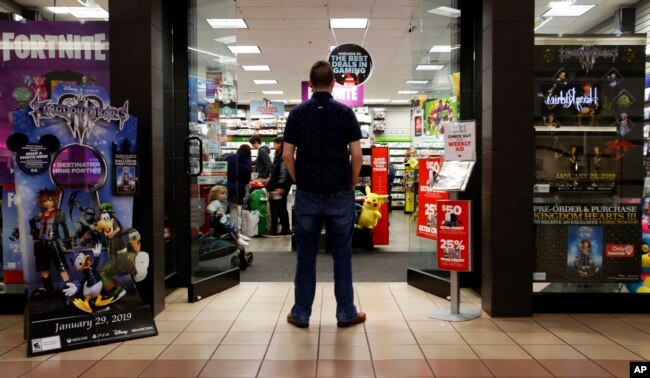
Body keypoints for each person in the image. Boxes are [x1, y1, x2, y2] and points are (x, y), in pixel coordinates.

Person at [283, 60, 366, 328]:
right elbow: (356, 155)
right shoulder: (345, 114)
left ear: (310, 83)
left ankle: (301, 314)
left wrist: (299, 179)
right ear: (333, 83)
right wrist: (351, 183)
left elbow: (286, 154)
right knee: (342, 254)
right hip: (339, 192)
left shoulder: (297, 114)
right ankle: (346, 313)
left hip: (308, 193)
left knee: (306, 254)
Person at [29, 188, 73, 299]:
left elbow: (64, 228)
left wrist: (67, 243)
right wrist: (35, 236)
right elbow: (31, 221)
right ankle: (48, 289)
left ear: (54, 200)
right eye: (44, 201)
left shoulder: (58, 213)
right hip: (41, 243)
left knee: (62, 267)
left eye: (49, 200)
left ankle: (70, 290)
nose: (47, 202)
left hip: (53, 242)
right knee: (43, 268)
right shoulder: (41, 214)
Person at [265, 137, 293, 236]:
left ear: (280, 144)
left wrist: (281, 187)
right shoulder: (278, 156)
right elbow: (276, 171)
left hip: (278, 187)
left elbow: (284, 173)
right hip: (276, 186)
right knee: (280, 208)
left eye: (275, 144)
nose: (274, 146)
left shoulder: (283, 157)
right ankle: (286, 229)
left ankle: (274, 230)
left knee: (276, 208)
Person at [226, 144, 252, 229]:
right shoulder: (248, 162)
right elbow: (247, 179)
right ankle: (236, 229)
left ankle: (227, 229)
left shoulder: (229, 157)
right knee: (236, 210)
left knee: (226, 209)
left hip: (227, 186)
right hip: (240, 189)